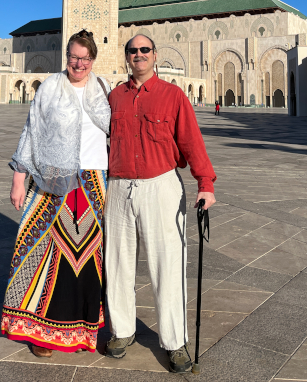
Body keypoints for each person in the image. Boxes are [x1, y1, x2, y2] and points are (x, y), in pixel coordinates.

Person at [104, 34, 216, 373]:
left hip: (161, 185)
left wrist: (205, 183)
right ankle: (121, 331)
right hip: (119, 187)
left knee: (168, 264)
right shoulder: (113, 97)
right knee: (118, 263)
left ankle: (174, 340)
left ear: (155, 56)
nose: (138, 55)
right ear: (126, 57)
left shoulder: (173, 95)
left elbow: (191, 140)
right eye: (132, 51)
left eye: (144, 50)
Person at [2, 30, 111, 356]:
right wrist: (19, 179)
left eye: (85, 58)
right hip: (52, 178)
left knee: (87, 257)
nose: (78, 63)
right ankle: (40, 334)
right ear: (67, 56)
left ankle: (79, 330)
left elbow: (121, 129)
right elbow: (31, 131)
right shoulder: (51, 87)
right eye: (73, 56)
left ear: (93, 59)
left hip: (93, 182)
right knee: (45, 254)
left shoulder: (103, 89)